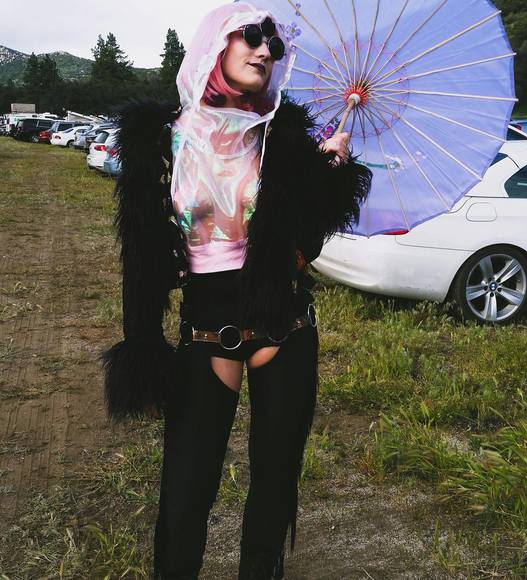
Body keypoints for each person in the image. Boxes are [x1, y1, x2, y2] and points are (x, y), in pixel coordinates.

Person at [99, 2, 372, 578]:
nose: (265, 49)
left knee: (274, 486)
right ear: (215, 44)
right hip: (207, 328)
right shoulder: (162, 141)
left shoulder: (282, 138)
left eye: (274, 43)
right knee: (186, 489)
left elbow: (304, 247)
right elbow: (141, 261)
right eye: (251, 35)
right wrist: (142, 344)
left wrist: (327, 178)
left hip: (285, 325)